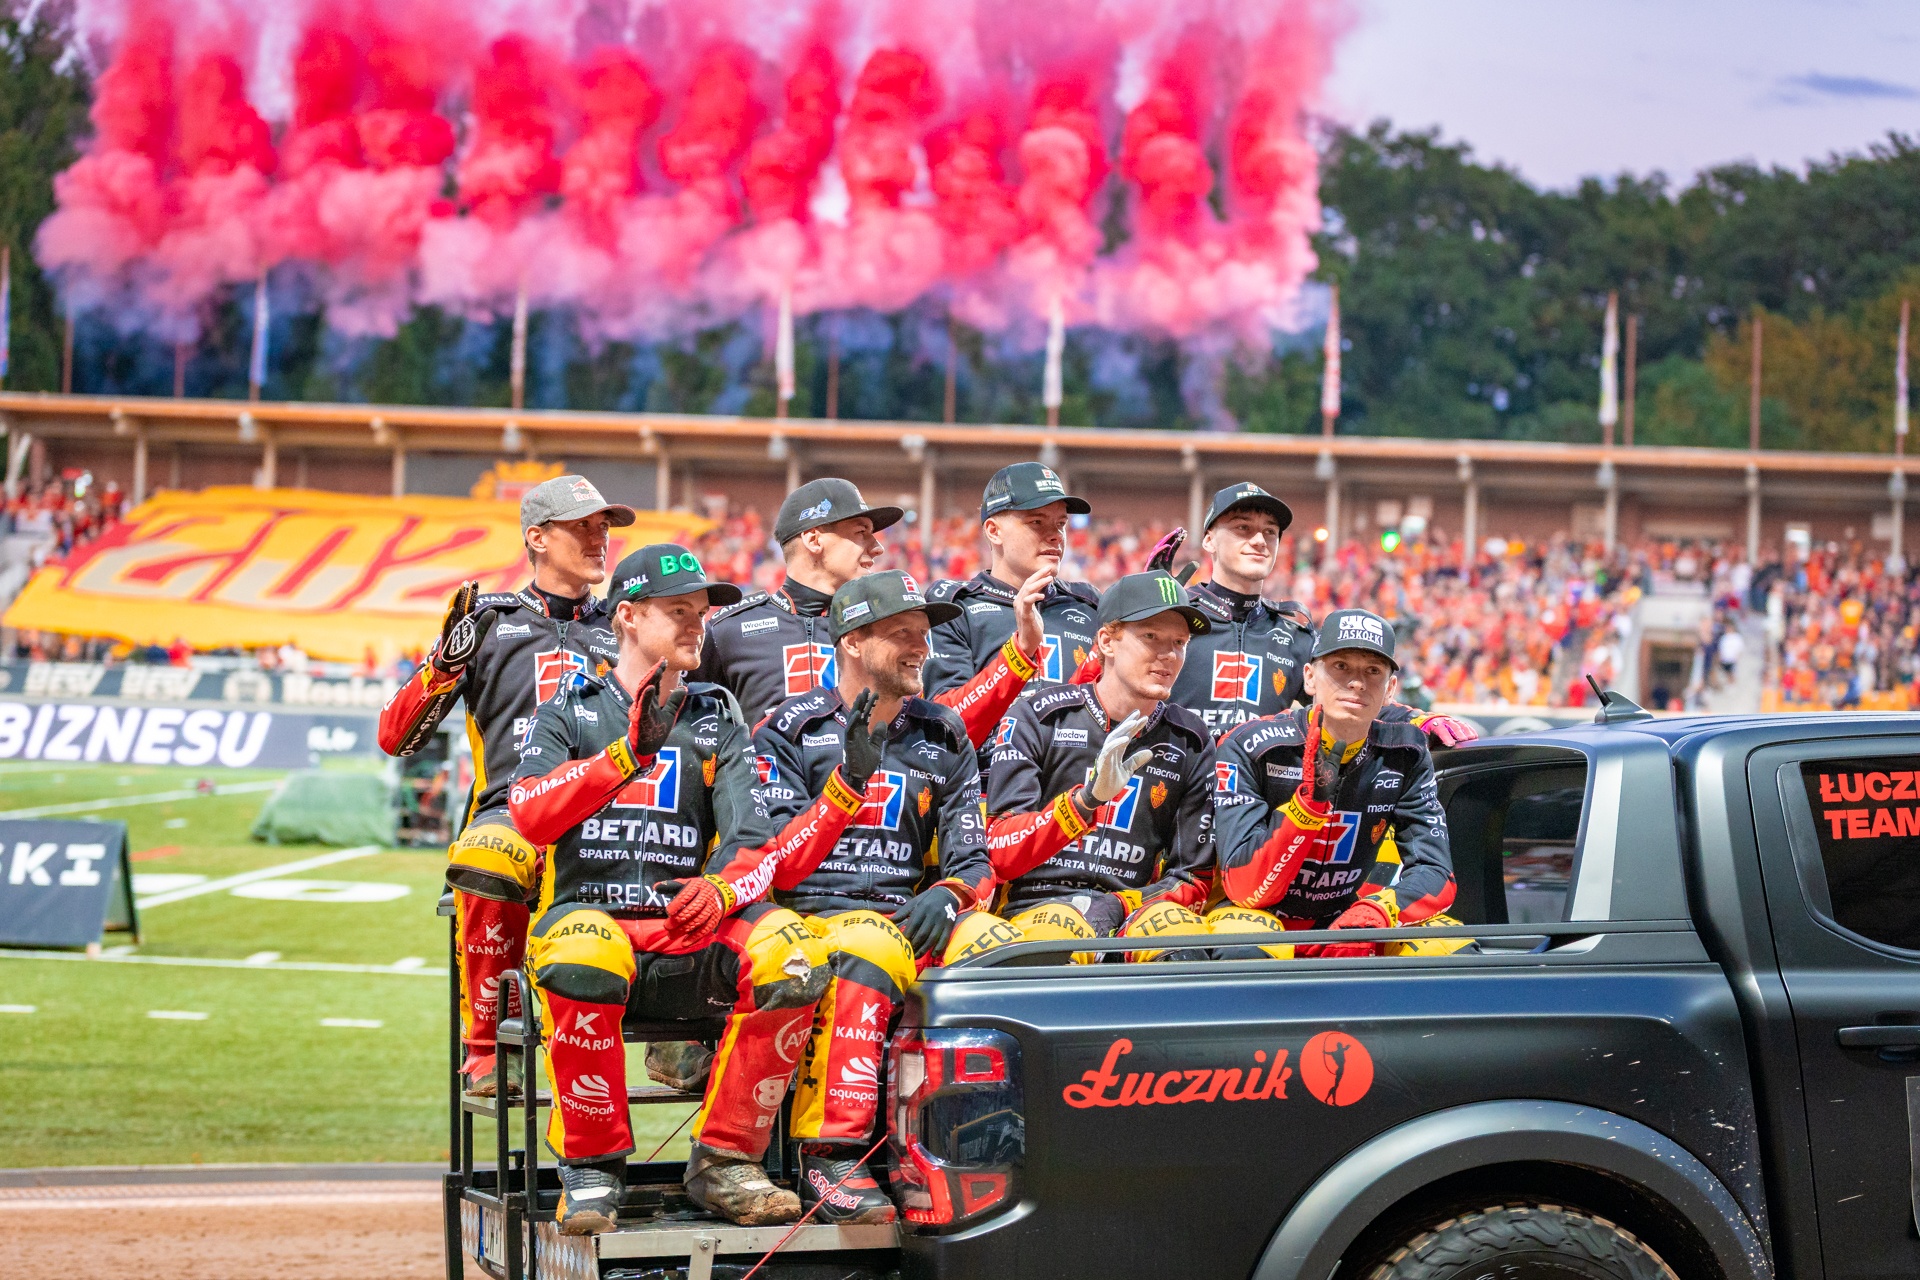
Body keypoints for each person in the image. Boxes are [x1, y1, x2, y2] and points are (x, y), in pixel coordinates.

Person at [506, 544, 877, 1232]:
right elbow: (529, 814)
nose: (696, 625)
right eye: (678, 611)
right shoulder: (569, 708)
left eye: (701, 614)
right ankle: (592, 1169)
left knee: (794, 954)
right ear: (627, 616)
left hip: (689, 932)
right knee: (582, 956)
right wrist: (626, 754)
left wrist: (723, 891)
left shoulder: (717, 711)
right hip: (591, 919)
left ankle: (726, 1162)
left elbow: (751, 838)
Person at [754, 571, 1021, 1224]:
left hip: (910, 918)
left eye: (924, 634)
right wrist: (845, 782)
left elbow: (973, 859)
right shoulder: (788, 729)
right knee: (869, 949)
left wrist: (951, 895)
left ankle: (970, 1152)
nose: (920, 648)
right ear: (851, 641)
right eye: (902, 633)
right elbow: (775, 861)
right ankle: (832, 1154)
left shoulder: (944, 732)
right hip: (814, 916)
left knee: (1002, 949)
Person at [377, 475, 630, 1095]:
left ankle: (685, 1036)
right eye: (582, 527)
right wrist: (445, 664)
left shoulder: (626, 625)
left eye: (603, 527)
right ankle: (492, 1048)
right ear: (536, 539)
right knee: (485, 855)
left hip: (617, 814)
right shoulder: (489, 623)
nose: (599, 539)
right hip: (513, 814)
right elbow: (395, 736)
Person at [984, 571, 1217, 954]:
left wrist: (1122, 904)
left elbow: (1192, 877)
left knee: (1182, 940)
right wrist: (1083, 803)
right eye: (1151, 637)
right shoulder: (1039, 717)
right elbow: (999, 852)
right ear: (1107, 642)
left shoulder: (1192, 739)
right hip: (1037, 909)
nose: (1169, 655)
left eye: (1179, 642)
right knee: (1056, 938)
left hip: (1133, 913)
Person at [1144, 482, 1479, 748]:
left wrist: (1419, 720)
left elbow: (1351, 696)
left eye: (1270, 532)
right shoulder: (1175, 617)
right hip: (1172, 798)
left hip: (1254, 804)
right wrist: (1142, 610)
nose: (1259, 540)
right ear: (1209, 540)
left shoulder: (1293, 635)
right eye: (1243, 528)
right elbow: (1121, 682)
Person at [1211, 608, 1462, 958]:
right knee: (1244, 950)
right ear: (1310, 678)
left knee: (1454, 947)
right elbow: (1244, 888)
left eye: (1373, 671)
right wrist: (1305, 810)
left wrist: (1380, 910)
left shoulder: (1406, 753)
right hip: (1257, 913)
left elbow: (1437, 873)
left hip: (1344, 916)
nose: (1357, 682)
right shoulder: (1250, 745)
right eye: (1341, 666)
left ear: (1390, 689)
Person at [695, 478, 901, 725]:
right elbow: (694, 728)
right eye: (861, 532)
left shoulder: (881, 631)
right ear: (814, 541)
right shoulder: (728, 632)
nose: (877, 548)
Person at [922, 463, 1102, 709]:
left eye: (1061, 524)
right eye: (1036, 522)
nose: (1056, 536)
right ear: (994, 531)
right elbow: (946, 719)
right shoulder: (954, 607)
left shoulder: (1089, 604)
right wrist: (1021, 651)